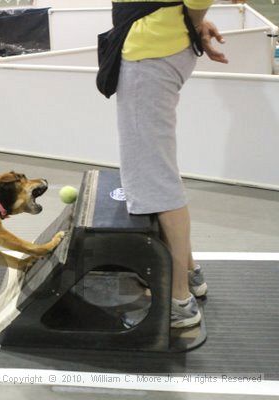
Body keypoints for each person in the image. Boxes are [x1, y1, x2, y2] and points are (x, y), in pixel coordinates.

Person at [110, 0, 228, 328]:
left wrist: (193, 20)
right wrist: (191, 23)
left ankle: (178, 301)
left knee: (155, 178)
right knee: (157, 168)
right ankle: (188, 275)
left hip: (152, 55)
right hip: (156, 48)